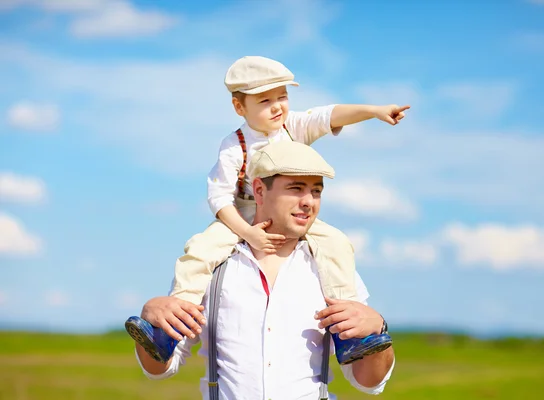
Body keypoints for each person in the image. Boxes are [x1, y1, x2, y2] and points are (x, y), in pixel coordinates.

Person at [125, 55, 409, 366]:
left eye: (282, 97)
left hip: (289, 216)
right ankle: (168, 332)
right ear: (239, 107)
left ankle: (349, 335)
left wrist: (375, 111)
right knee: (201, 250)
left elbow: (330, 115)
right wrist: (247, 233)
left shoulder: (293, 126)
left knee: (335, 244)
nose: (277, 107)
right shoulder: (235, 145)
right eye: (265, 100)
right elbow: (219, 199)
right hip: (242, 216)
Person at [134, 141, 396, 399]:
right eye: (296, 188)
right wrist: (152, 319)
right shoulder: (211, 264)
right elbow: (160, 369)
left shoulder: (332, 268)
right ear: (259, 190)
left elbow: (369, 382)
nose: (309, 202)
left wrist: (378, 329)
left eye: (316, 191)